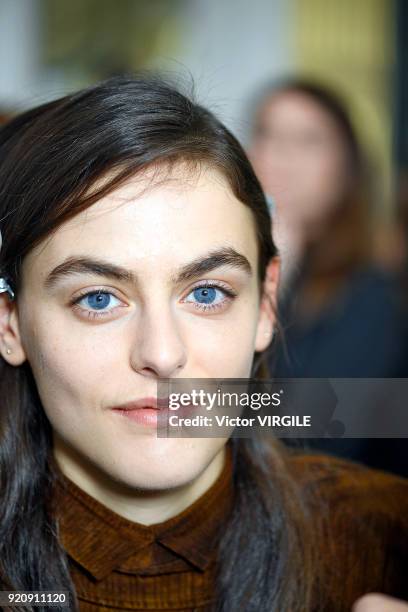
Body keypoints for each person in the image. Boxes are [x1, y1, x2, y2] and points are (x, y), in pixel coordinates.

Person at [0, 75, 407, 612]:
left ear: (265, 306)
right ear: (11, 325)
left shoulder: (385, 537)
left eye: (207, 292)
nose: (163, 354)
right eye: (98, 299)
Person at [249, 78, 408, 477]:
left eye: (307, 140)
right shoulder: (230, 267)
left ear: (347, 168)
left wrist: (273, 283)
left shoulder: (377, 295)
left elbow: (313, 432)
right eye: (266, 134)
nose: (278, 156)